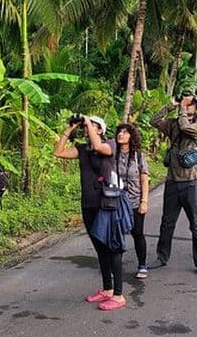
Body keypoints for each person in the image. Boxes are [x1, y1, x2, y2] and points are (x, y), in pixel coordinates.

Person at [54, 114, 128, 311]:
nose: (86, 128)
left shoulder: (110, 144)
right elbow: (58, 152)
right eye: (86, 126)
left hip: (108, 204)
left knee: (113, 248)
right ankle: (107, 289)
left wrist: (88, 121)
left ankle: (119, 295)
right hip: (89, 205)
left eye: (92, 126)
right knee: (100, 248)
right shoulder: (82, 149)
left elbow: (98, 147)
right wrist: (69, 129)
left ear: (100, 130)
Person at [150, 93, 197, 277]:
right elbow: (154, 120)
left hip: (192, 182)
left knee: (196, 225)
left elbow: (185, 128)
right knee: (167, 223)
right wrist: (171, 104)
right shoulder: (173, 124)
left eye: (190, 104)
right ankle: (161, 257)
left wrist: (182, 109)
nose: (185, 105)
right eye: (186, 103)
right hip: (172, 181)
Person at [114, 123, 150, 279]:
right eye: (119, 132)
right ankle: (115, 266)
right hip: (116, 200)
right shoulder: (112, 154)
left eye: (125, 132)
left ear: (131, 136)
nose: (120, 135)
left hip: (135, 200)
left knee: (137, 233)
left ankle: (142, 265)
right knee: (116, 234)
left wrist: (144, 201)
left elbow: (144, 179)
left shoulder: (138, 155)